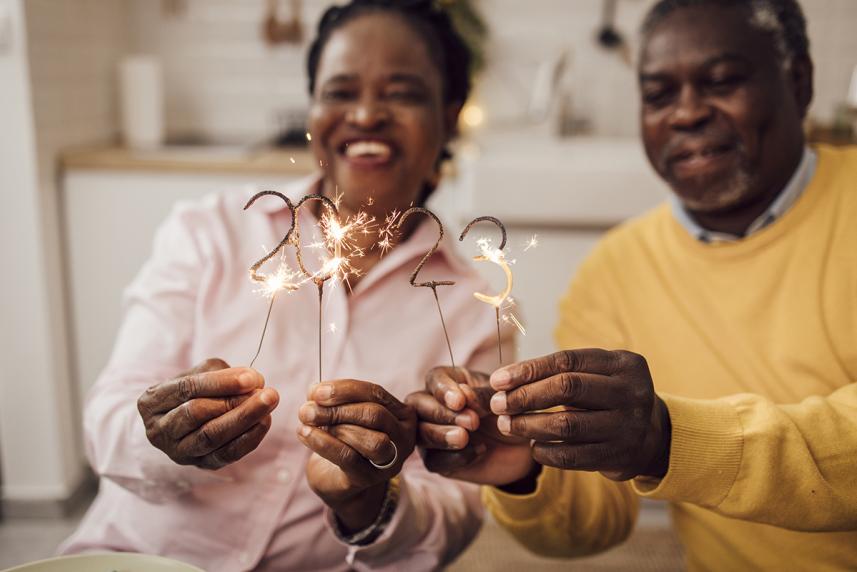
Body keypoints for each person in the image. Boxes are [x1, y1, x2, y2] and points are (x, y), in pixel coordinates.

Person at [60, 2, 512, 570]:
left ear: (450, 117)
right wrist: (164, 437)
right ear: (314, 110)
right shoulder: (210, 231)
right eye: (340, 91)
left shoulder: (471, 308)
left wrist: (369, 499)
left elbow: (454, 513)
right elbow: (107, 421)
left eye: (402, 93)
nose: (367, 113)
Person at [408, 0, 857, 569]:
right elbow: (597, 518)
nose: (686, 114)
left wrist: (671, 439)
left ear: (800, 82)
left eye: (721, 81)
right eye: (659, 94)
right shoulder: (613, 273)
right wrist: (528, 467)